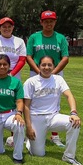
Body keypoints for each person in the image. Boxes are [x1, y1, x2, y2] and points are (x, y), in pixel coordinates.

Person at [23, 56, 82, 165]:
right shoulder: (30, 82)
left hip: (54, 117)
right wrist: (29, 127)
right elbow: (26, 106)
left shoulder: (58, 79)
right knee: (38, 154)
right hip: (36, 118)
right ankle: (30, 144)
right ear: (38, 66)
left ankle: (69, 156)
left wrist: (73, 113)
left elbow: (69, 95)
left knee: (74, 123)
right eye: (43, 65)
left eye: (49, 65)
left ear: (54, 66)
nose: (46, 67)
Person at [26, 10, 70, 148]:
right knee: (32, 102)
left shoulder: (60, 38)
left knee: (54, 103)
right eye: (46, 21)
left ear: (55, 22)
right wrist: (40, 71)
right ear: (41, 22)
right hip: (36, 74)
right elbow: (29, 56)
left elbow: (65, 57)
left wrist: (53, 73)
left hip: (55, 74)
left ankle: (55, 135)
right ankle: (30, 132)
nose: (48, 23)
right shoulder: (34, 37)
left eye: (51, 21)